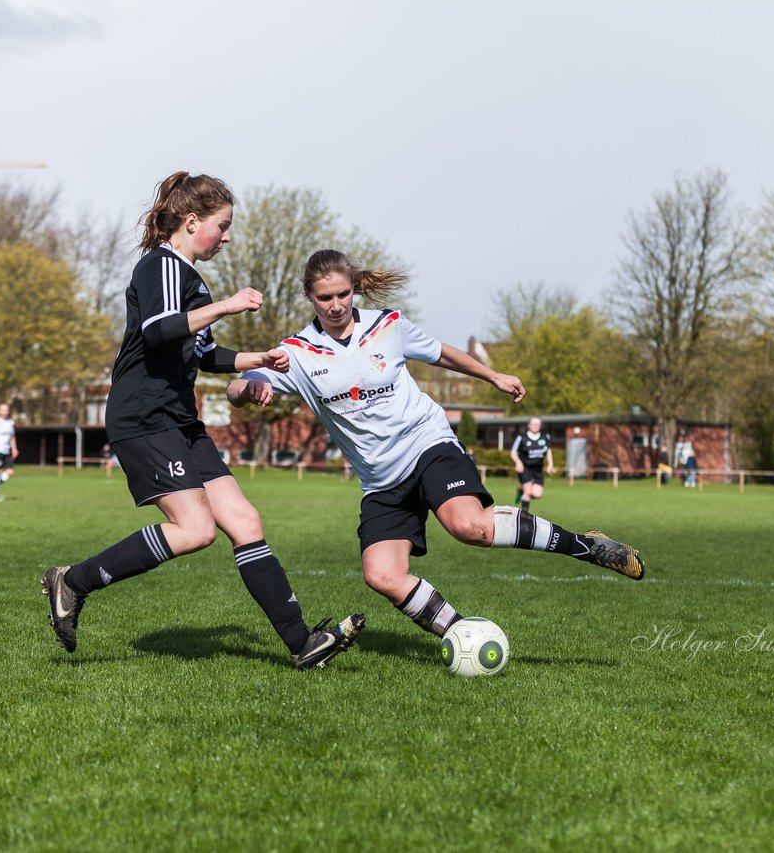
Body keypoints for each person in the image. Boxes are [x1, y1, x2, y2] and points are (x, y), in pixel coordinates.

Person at [227, 249, 644, 647]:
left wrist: (493, 375)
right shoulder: (296, 353)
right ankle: (463, 635)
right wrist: (248, 390)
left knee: (470, 527)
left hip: (427, 442)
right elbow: (235, 385)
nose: (335, 305)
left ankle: (590, 547)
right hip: (380, 479)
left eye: (343, 294)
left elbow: (441, 354)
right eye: (324, 298)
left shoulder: (387, 325)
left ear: (354, 288)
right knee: (382, 575)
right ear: (309, 297)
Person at [40, 171, 363, 670]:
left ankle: (302, 644)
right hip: (144, 416)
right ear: (192, 222)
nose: (228, 235)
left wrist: (259, 359)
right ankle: (73, 582)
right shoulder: (160, 267)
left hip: (179, 420)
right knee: (195, 530)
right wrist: (227, 306)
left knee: (244, 521)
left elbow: (205, 354)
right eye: (222, 225)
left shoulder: (192, 279)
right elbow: (157, 332)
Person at [510, 416, 555, 513]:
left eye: (538, 424)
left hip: (538, 469)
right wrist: (518, 463)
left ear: (540, 426)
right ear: (529, 425)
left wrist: (550, 464)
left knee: (537, 494)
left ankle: (521, 490)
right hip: (525, 468)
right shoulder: (522, 437)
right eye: (533, 424)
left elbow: (548, 451)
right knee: (528, 492)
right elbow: (513, 452)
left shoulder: (545, 436)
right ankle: (525, 515)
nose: (535, 426)